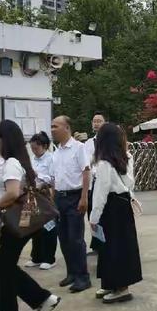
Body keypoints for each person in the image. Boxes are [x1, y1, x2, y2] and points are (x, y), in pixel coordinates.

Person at [0, 120, 60, 311]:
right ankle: (41, 300)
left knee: (4, 271)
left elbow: (13, 193)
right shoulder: (13, 161)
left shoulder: (12, 162)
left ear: (6, 139)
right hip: (10, 223)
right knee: (6, 270)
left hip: (11, 223)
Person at [90, 123, 142, 303]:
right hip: (123, 205)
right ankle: (113, 284)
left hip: (110, 207)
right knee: (122, 247)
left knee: (111, 247)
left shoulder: (104, 163)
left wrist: (93, 218)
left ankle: (120, 288)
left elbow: (100, 193)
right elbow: (130, 184)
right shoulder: (127, 157)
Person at [51, 115, 92, 293]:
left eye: (55, 126)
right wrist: (53, 199)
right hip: (60, 198)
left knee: (76, 239)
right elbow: (54, 178)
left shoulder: (79, 148)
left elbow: (86, 172)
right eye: (51, 127)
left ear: (67, 128)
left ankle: (83, 277)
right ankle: (72, 273)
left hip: (75, 197)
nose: (52, 129)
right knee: (64, 238)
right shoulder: (56, 151)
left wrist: (84, 198)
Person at [24, 131, 57, 271]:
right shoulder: (32, 159)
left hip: (45, 195)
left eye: (36, 148)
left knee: (48, 227)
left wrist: (39, 175)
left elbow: (53, 178)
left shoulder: (51, 159)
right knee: (34, 226)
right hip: (32, 196)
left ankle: (49, 258)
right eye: (32, 148)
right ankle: (36, 257)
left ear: (44, 146)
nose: (34, 151)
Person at [84, 112, 106, 256]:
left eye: (99, 121)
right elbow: (86, 163)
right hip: (92, 183)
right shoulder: (88, 143)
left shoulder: (109, 141)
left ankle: (105, 243)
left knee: (103, 214)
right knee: (92, 215)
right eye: (94, 121)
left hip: (104, 182)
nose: (96, 123)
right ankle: (96, 244)